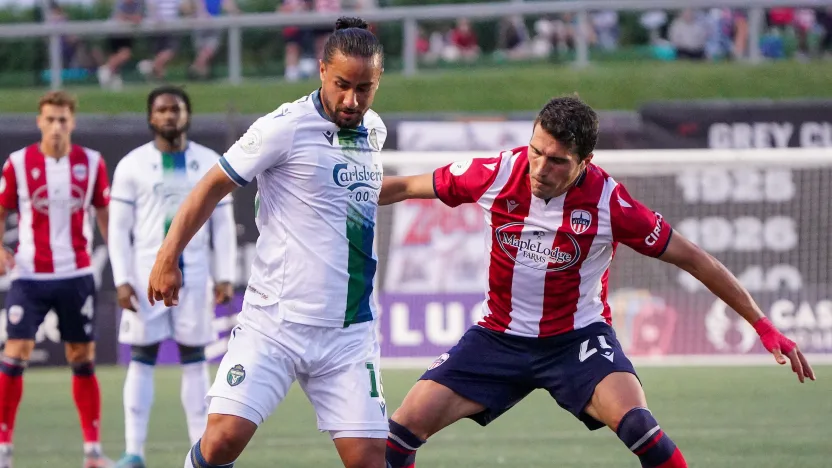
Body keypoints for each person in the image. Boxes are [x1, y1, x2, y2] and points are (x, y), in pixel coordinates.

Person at [378, 96, 816, 468]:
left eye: (557, 161)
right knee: (399, 434)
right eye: (535, 151)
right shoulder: (497, 172)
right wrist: (329, 192)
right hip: (498, 338)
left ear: (585, 161)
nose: (539, 168)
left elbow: (696, 260)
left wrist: (762, 324)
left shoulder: (611, 203)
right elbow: (404, 187)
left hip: (577, 341)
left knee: (641, 427)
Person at [147, 17, 390, 468]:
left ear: (378, 82)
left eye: (365, 87)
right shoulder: (283, 127)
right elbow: (211, 186)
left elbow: (357, 192)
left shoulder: (373, 130)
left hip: (349, 332)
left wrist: (425, 186)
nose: (352, 99)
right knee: (222, 441)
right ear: (321, 70)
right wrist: (168, 256)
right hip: (275, 324)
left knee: (370, 461)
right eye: (342, 84)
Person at [108, 86, 237, 468]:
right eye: (162, 110)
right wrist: (120, 279)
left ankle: (200, 450)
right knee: (142, 356)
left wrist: (225, 274)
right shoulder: (131, 165)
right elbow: (118, 229)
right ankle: (134, 452)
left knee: (195, 357)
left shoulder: (210, 161)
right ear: (151, 117)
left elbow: (224, 225)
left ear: (187, 115)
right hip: (144, 274)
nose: (169, 116)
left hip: (195, 275)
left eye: (176, 110)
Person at [0, 91, 113, 468]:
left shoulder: (92, 163)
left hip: (76, 274)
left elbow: (104, 216)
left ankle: (93, 451)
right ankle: (3, 448)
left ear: (73, 122)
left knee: (81, 357)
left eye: (63, 119)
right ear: (39, 122)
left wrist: (123, 260)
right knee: (16, 352)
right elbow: (0, 211)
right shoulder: (18, 163)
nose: (56, 126)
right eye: (50, 119)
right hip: (29, 275)